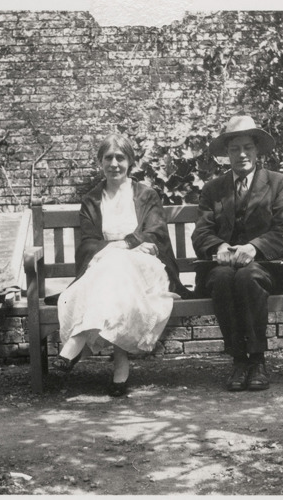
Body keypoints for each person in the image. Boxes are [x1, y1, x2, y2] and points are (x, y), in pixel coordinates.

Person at [52, 134, 191, 397]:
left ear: (130, 162)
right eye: (108, 158)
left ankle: (76, 341)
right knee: (114, 272)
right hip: (107, 269)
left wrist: (122, 246)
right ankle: (120, 364)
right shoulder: (92, 200)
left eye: (120, 157)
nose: (114, 163)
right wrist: (115, 250)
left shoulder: (146, 195)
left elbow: (156, 233)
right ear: (100, 162)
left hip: (146, 268)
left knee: (116, 263)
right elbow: (88, 243)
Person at [191, 115, 283, 392]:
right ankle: (238, 361)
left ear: (257, 150)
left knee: (248, 277)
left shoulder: (278, 183)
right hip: (224, 266)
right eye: (234, 149)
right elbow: (201, 232)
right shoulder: (213, 189)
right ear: (226, 154)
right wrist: (219, 247)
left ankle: (257, 361)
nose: (241, 154)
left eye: (247, 147)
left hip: (269, 266)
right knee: (221, 279)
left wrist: (254, 248)